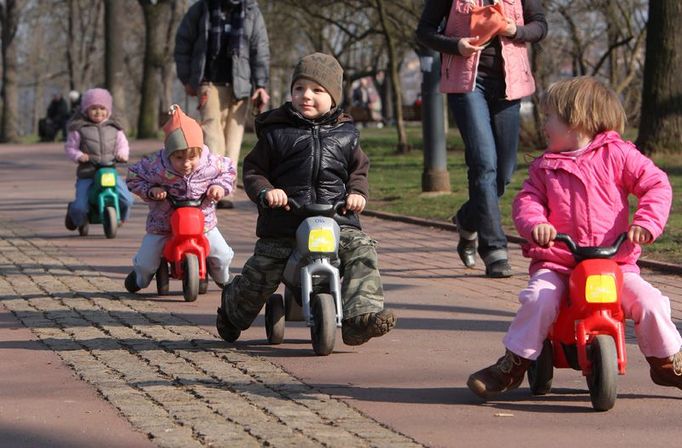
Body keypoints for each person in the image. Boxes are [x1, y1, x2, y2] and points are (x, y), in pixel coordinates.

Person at [467, 76, 682, 399]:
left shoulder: (618, 154)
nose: (544, 125)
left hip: (615, 262)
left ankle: (667, 362)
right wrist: (536, 225)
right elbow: (527, 201)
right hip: (559, 262)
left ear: (577, 119)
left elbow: (656, 184)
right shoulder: (545, 168)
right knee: (539, 299)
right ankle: (514, 363)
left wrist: (646, 222)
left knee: (650, 302)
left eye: (550, 117)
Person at [215, 53, 397, 345]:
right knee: (262, 272)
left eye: (317, 90)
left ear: (333, 97)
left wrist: (357, 194)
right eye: (299, 88)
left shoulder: (346, 135)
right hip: (285, 221)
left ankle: (359, 318)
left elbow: (358, 170)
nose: (306, 96)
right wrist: (266, 192)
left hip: (337, 218)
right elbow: (254, 170)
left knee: (362, 252)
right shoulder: (277, 132)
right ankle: (232, 312)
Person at [417, 0, 547, 277]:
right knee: (483, 164)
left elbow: (540, 26)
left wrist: (516, 30)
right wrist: (456, 45)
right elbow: (425, 30)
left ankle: (466, 220)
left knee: (504, 173)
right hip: (467, 84)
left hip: (510, 87)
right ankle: (494, 249)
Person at [124, 104, 236, 293]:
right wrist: (151, 190)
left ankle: (224, 277)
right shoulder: (156, 165)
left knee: (222, 254)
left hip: (204, 223)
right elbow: (133, 176)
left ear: (200, 151)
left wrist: (219, 187)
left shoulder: (211, 164)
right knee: (146, 261)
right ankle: (140, 277)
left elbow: (229, 171)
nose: (186, 163)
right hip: (163, 224)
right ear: (169, 153)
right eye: (179, 158)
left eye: (192, 157)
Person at [174, 0, 270, 209]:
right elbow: (183, 43)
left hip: (240, 84)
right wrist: (186, 78)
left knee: (233, 138)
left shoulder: (251, 11)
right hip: (208, 81)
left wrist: (261, 84)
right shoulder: (202, 9)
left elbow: (259, 48)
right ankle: (213, 185)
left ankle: (225, 188)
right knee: (212, 133)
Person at [64, 88, 134, 232]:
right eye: (94, 108)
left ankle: (120, 218)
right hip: (88, 173)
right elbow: (70, 147)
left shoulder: (114, 128)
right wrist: (79, 155)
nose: (98, 112)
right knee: (80, 206)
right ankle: (75, 216)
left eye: (102, 108)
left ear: (108, 110)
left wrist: (122, 154)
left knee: (127, 199)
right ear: (86, 110)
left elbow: (123, 144)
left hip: (109, 171)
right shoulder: (79, 128)